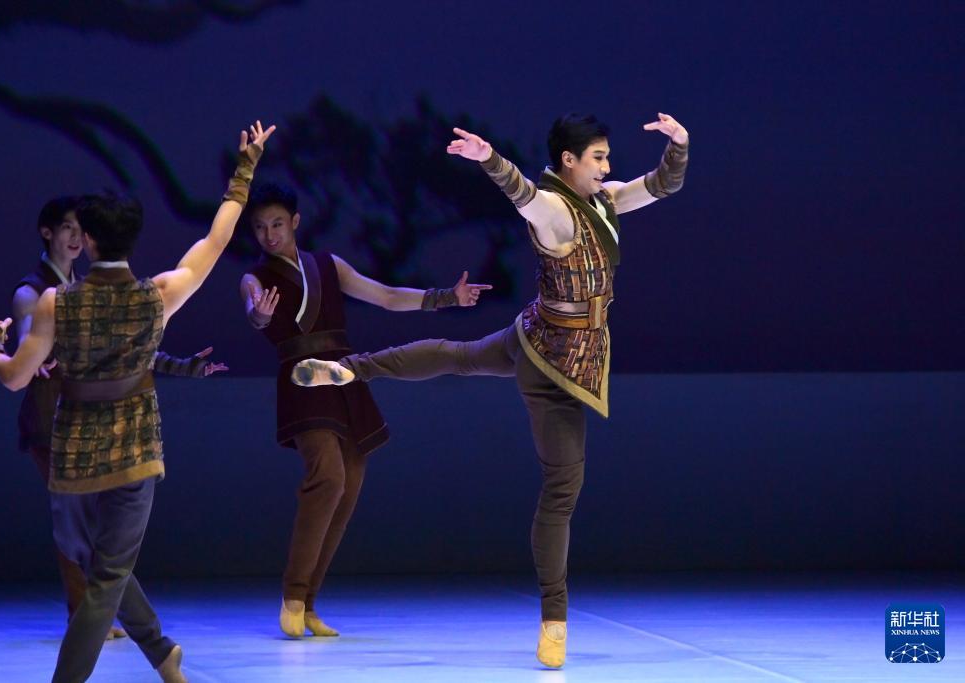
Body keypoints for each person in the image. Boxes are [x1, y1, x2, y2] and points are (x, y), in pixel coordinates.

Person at [293, 112, 689, 667]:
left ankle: (352, 368)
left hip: (534, 336)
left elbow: (662, 185)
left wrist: (679, 145)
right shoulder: (555, 210)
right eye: (598, 157)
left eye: (606, 157)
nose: (607, 166)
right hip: (553, 368)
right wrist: (490, 161)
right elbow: (524, 194)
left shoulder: (603, 200)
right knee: (562, 487)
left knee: (459, 357)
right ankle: (554, 619)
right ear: (569, 161)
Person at [0, 120, 275, 682]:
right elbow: (215, 241)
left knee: (102, 570)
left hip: (75, 450)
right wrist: (244, 171)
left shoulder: (55, 303)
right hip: (135, 447)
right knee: (102, 566)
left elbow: (15, 377)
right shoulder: (158, 295)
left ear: (89, 241)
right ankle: (162, 652)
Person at [241, 182, 492, 638]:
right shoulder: (254, 277)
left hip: (345, 373)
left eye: (277, 224)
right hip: (303, 379)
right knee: (328, 477)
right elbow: (253, 310)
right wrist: (259, 314)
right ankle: (293, 596)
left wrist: (445, 297)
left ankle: (308, 603)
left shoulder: (327, 265)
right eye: (260, 227)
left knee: (349, 485)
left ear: (295, 222)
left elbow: (387, 296)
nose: (269, 234)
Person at [13, 197, 227, 640]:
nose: (75, 237)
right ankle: (95, 618)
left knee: (92, 539)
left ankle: (109, 623)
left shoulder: (71, 294)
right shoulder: (41, 294)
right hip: (59, 420)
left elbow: (126, 352)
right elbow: (26, 359)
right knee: (82, 537)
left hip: (101, 426)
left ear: (91, 240)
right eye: (66, 228)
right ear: (47, 233)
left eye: (80, 229)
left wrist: (182, 366)